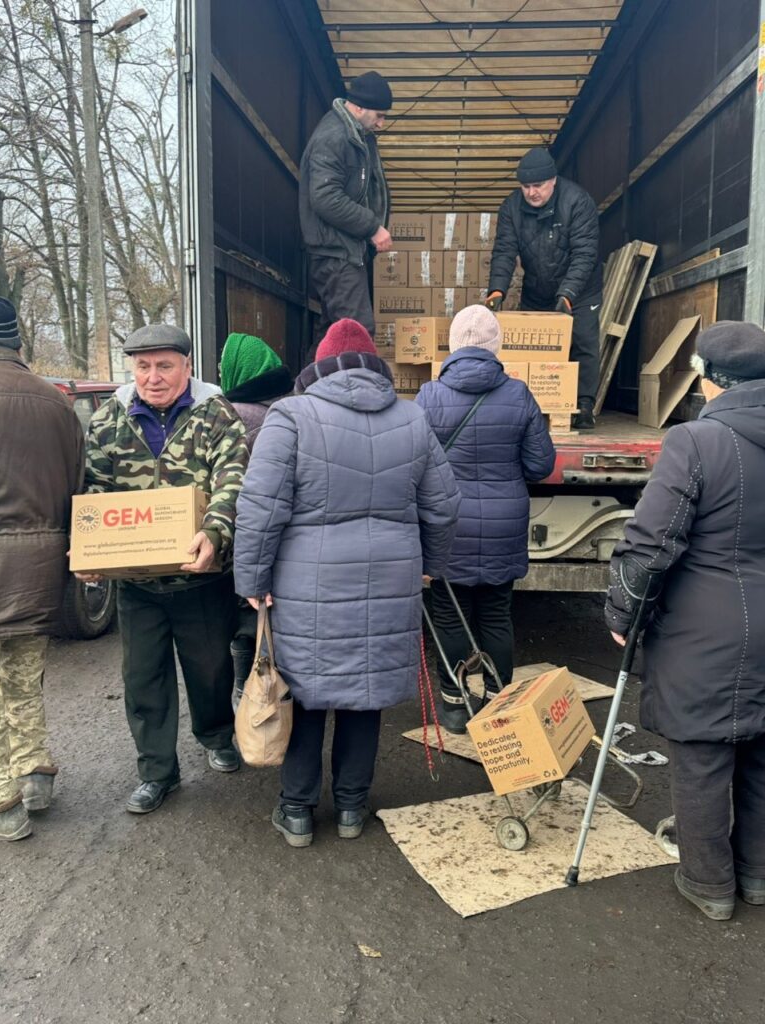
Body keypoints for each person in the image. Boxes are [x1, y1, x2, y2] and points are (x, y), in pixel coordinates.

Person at [234, 318, 461, 847]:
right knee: (366, 695)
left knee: (307, 693)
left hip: (306, 585)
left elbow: (260, 509)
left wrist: (252, 577)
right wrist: (432, 563)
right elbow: (446, 507)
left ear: (319, 367)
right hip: (390, 579)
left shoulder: (289, 416)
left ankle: (296, 811)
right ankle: (353, 809)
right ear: (375, 368)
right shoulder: (411, 418)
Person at [605, 321, 765, 921]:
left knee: (702, 756)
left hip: (707, 636)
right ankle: (756, 876)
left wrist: (623, 613)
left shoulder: (696, 442)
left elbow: (650, 544)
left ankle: (710, 884)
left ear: (711, 380)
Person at [82, 324, 249, 814]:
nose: (152, 377)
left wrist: (215, 531)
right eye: (143, 366)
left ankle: (216, 734)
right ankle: (157, 772)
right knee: (143, 679)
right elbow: (94, 488)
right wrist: (91, 552)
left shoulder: (215, 415)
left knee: (211, 669)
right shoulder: (110, 420)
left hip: (201, 578)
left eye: (164, 366)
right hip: (138, 586)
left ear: (187, 367)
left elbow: (233, 479)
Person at [415, 305, 556, 733]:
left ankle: (455, 705)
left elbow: (414, 466)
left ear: (454, 346)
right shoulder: (519, 395)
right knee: (496, 614)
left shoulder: (429, 397)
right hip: (503, 525)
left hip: (448, 526)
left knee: (450, 614)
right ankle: (497, 699)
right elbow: (540, 465)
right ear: (496, 347)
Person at [0, 297, 85, 841]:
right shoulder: (56, 404)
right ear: (19, 342)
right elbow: (79, 491)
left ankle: (5, 802)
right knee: (23, 678)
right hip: (39, 566)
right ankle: (34, 770)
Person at [485, 146, 602, 429]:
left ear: (553, 180)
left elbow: (584, 254)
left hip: (580, 289)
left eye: (538, 185)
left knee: (582, 342)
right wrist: (497, 290)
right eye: (525, 186)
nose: (531, 192)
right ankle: (533, 406)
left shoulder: (578, 202)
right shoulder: (512, 206)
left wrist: (568, 295)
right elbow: (504, 251)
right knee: (532, 348)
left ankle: (584, 405)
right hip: (537, 288)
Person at [219, 332, 294, 705]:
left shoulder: (232, 416)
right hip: (286, 538)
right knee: (272, 618)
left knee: (243, 620)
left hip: (239, 535)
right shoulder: (292, 411)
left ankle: (242, 689)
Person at [299, 71, 393, 345]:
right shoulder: (334, 137)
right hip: (335, 253)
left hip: (345, 251)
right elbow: (325, 196)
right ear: (359, 107)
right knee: (357, 333)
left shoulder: (356, 136)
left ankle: (308, 387)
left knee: (331, 334)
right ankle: (355, 388)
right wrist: (372, 226)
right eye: (379, 115)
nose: (382, 123)